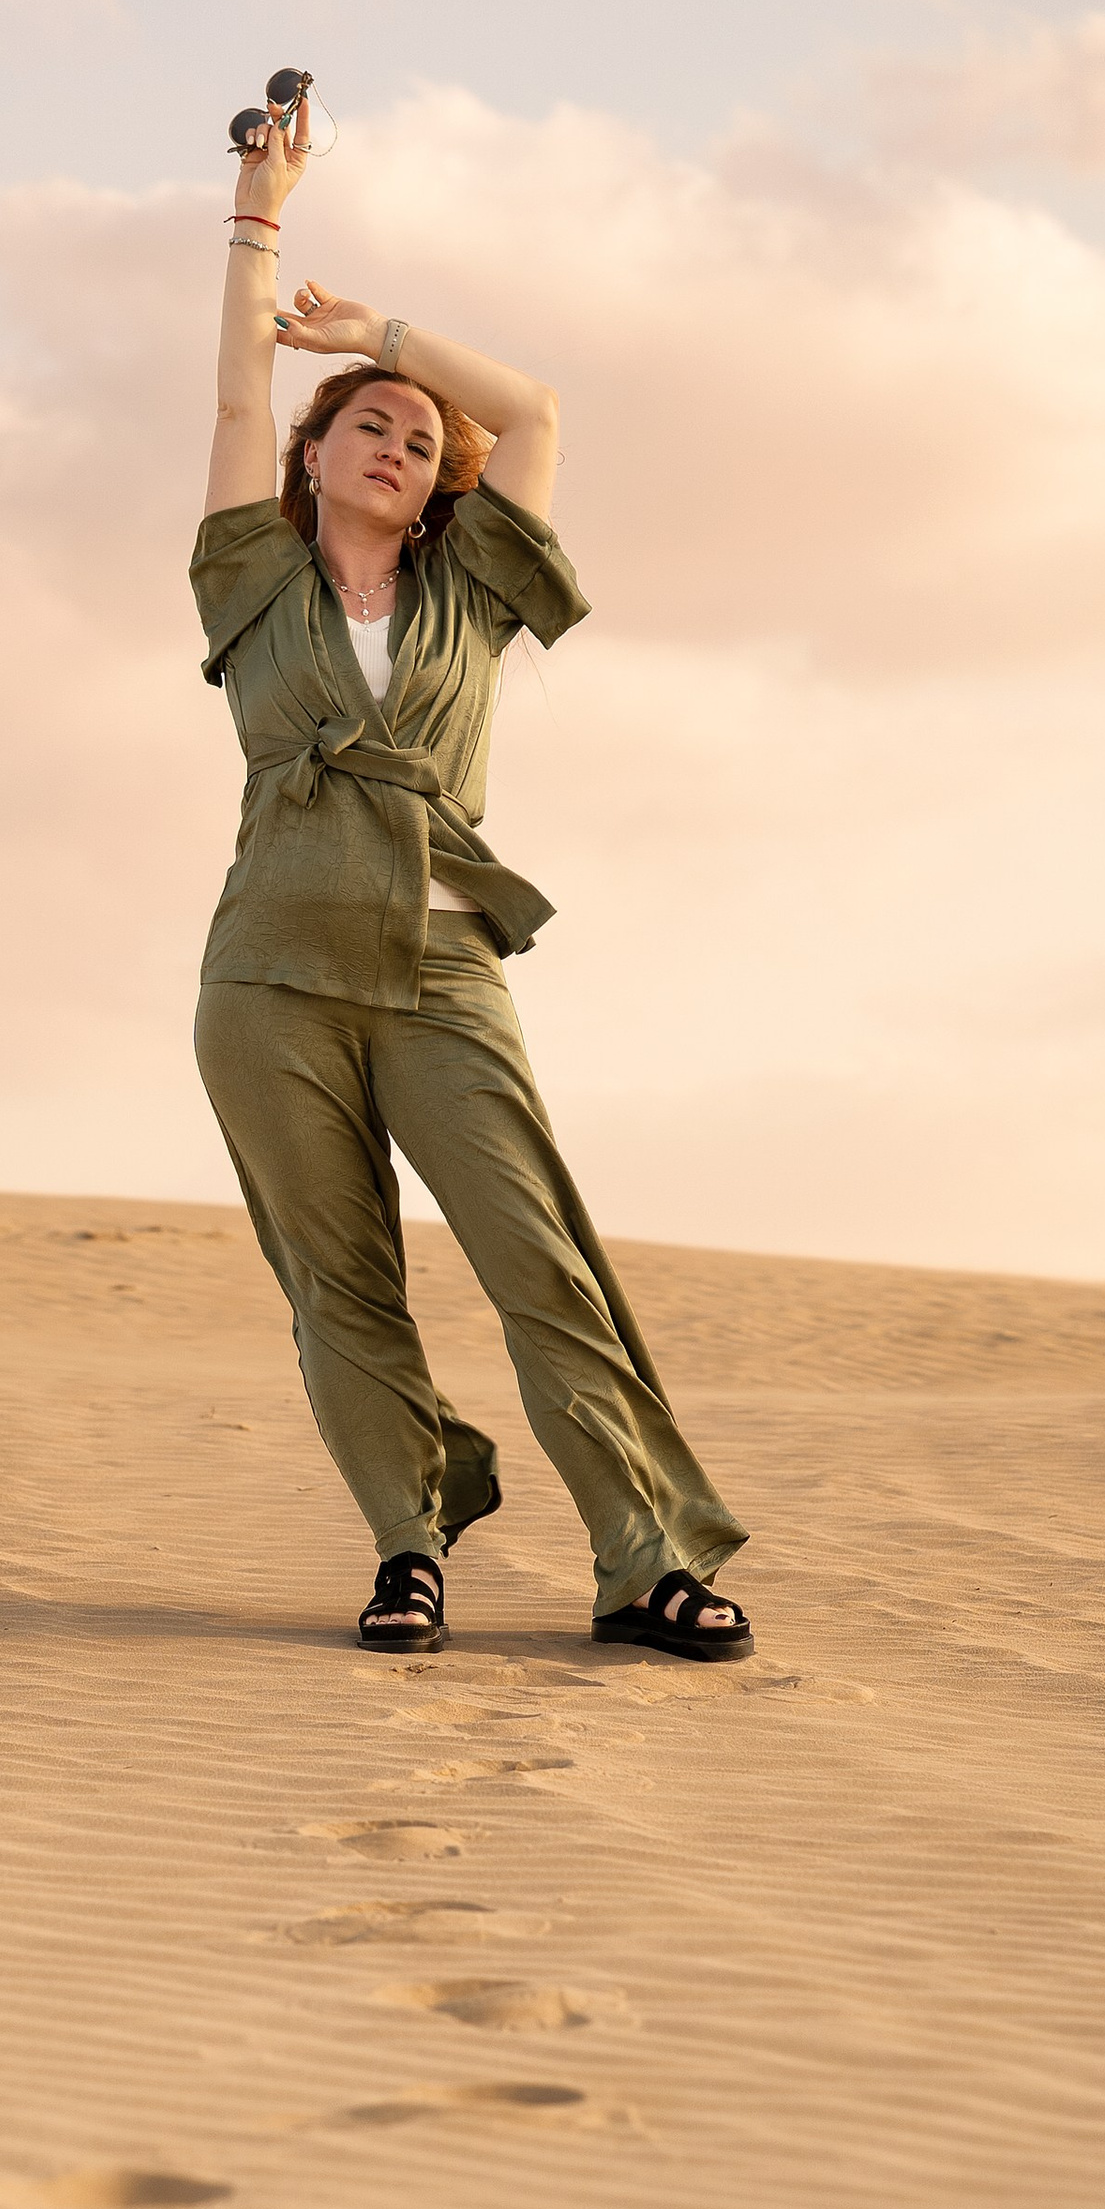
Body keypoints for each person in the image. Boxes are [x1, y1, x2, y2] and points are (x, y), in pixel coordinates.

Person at [188, 88, 754, 1664]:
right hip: (270, 977)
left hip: (441, 971)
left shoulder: (474, 595)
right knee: (338, 1282)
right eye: (367, 418)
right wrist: (260, 217)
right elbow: (236, 394)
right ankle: (406, 1538)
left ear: (446, 484)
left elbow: (545, 413)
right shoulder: (249, 573)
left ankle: (646, 1558)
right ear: (315, 455)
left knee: (536, 1262)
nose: (398, 438)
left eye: (422, 437)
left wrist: (390, 333)